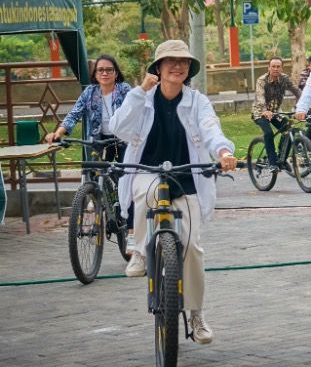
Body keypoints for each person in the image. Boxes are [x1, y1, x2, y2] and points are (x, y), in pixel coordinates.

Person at [110, 40, 237, 344]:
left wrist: (222, 151)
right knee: (150, 190)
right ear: (158, 68)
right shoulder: (142, 98)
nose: (177, 66)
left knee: (192, 248)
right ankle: (140, 249)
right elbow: (118, 127)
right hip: (147, 171)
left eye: (183, 62)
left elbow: (210, 127)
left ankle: (196, 313)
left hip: (186, 178)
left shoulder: (197, 101)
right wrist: (139, 92)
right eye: (170, 62)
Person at [45, 54, 135, 245]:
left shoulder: (124, 90)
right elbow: (74, 114)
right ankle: (100, 201)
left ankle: (130, 226)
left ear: (116, 73)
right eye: (100, 70)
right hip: (98, 141)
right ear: (95, 74)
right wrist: (59, 133)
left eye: (109, 70)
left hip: (123, 140)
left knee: (127, 181)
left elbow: (136, 110)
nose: (104, 73)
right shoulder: (89, 93)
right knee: (94, 174)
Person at [251, 57, 302, 173]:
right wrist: (265, 110)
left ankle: (281, 159)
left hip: (275, 112)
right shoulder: (262, 80)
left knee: (289, 128)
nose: (275, 69)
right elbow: (260, 97)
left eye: (278, 66)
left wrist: (306, 104)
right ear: (269, 68)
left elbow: (296, 91)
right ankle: (272, 163)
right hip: (259, 112)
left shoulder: (284, 79)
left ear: (282, 68)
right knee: (268, 133)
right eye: (273, 66)